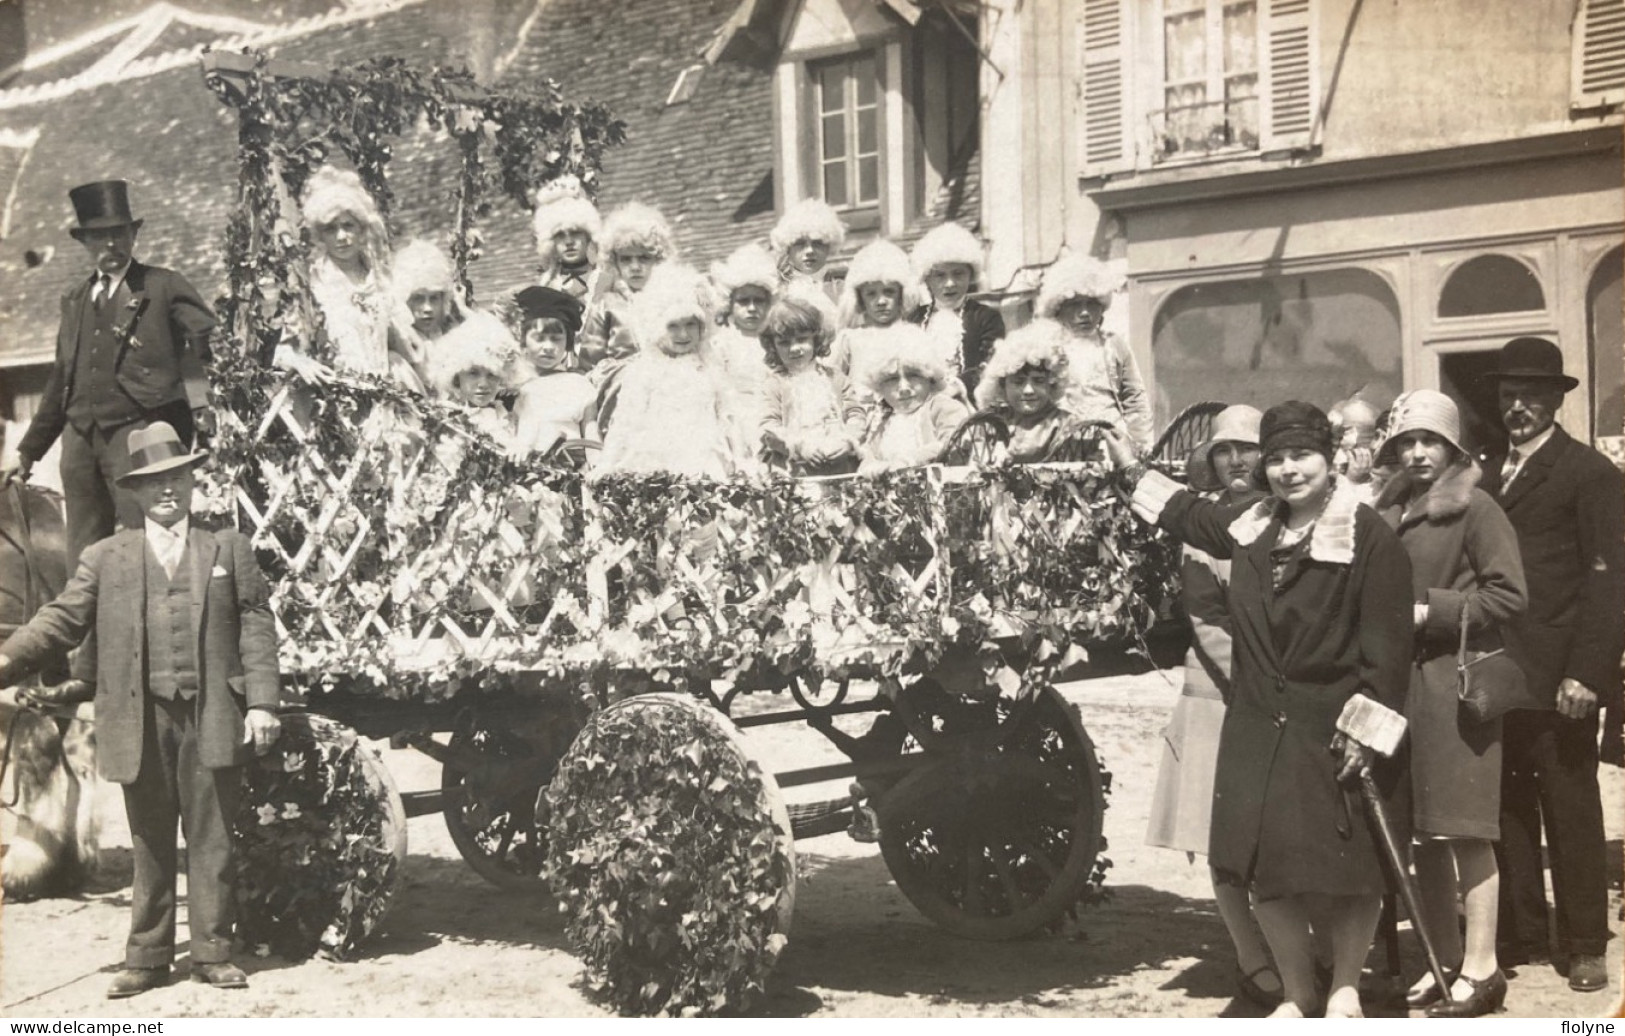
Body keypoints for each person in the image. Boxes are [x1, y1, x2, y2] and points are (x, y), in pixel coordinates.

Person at [1105, 401, 1413, 1018]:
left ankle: (1346, 989)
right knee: (1257, 864)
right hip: (1256, 725)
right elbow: (1187, 514)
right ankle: (1298, 992)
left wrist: (1364, 733)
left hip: (1332, 725)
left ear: (1330, 460)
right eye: (1275, 459)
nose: (1287, 471)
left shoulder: (1366, 533)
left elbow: (1388, 651)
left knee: (1348, 868)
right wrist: (1129, 468)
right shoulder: (1252, 524)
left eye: (1301, 456)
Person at [0, 422, 282, 999]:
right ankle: (148, 957)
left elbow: (256, 624)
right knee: (150, 840)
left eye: (176, 478)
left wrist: (262, 703)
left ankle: (211, 952)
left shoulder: (226, 546)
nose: (167, 491)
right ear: (136, 492)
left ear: (191, 479)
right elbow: (61, 620)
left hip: (212, 714)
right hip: (139, 717)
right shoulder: (107, 557)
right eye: (154, 484)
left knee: (212, 838)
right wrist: (4, 661)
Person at [1371, 390, 1528, 1016]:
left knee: (1465, 829)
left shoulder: (1477, 507)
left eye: (1429, 441)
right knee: (1422, 836)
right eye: (1406, 441)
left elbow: (1510, 596)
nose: (1416, 453)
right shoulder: (1385, 507)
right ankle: (1444, 961)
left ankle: (1483, 968)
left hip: (1453, 685)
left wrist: (1427, 612)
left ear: (1453, 448)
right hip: (1396, 690)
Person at [1480, 337, 1624, 995]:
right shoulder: (1484, 474)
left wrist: (1588, 674)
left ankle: (1585, 944)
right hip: (1499, 674)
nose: (1517, 407)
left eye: (1531, 395)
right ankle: (1524, 934)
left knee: (1569, 808)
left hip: (1561, 675)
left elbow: (1608, 582)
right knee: (1506, 808)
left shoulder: (1588, 474)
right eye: (1508, 395)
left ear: (1555, 400)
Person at [1141, 404, 1279, 1008]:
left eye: (1248, 449)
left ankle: (1290, 945)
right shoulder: (1204, 532)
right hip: (1225, 691)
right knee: (1220, 828)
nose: (1236, 461)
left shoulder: (1287, 518)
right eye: (1224, 451)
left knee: (1279, 828)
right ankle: (1250, 954)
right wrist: (1261, 683)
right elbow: (1208, 620)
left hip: (1278, 689)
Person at [1, 180, 214, 571]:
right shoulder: (75, 300)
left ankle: (157, 631)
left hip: (139, 434)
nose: (110, 246)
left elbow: (206, 342)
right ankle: (89, 634)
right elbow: (61, 381)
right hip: (80, 440)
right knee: (84, 556)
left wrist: (198, 404)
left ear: (133, 235)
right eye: (99, 238)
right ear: (85, 243)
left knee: (150, 543)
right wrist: (28, 451)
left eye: (118, 234)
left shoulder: (162, 286)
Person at [595, 265, 749, 479]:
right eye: (673, 326)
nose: (683, 334)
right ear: (658, 327)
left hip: (705, 460)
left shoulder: (710, 365)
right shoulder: (644, 369)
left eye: (690, 324)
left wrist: (741, 461)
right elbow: (624, 422)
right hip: (656, 463)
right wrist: (606, 465)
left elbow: (728, 417)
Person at [284, 167, 423, 394]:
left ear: (361, 229)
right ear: (320, 235)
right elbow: (283, 351)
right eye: (331, 229)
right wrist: (301, 363)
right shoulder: (312, 287)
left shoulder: (381, 279)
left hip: (388, 391)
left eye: (348, 226)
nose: (341, 237)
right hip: (339, 399)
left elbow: (410, 345)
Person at [1035, 254, 1153, 453]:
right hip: (1063, 443)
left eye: (1091, 304)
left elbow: (1134, 397)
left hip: (1112, 440)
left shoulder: (1114, 345)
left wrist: (1140, 443)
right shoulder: (1045, 347)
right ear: (1058, 308)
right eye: (1074, 305)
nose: (1084, 313)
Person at [757, 293, 864, 476]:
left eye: (802, 339)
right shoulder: (774, 385)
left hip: (840, 465)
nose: (794, 348)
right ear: (773, 346)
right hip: (795, 470)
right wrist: (799, 447)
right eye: (784, 343)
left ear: (816, 339)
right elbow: (768, 428)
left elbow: (856, 414)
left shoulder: (835, 378)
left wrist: (847, 441)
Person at [972, 320, 1102, 463]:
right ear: (1002, 384)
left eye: (1038, 381)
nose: (1028, 390)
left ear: (1052, 382)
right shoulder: (993, 422)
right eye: (1018, 382)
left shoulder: (1066, 425)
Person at [857, 326, 971, 474]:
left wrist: (908, 461)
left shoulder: (943, 407)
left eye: (913, 376)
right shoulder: (884, 420)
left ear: (929, 377)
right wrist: (869, 467)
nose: (904, 387)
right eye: (892, 379)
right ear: (879, 386)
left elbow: (953, 443)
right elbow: (869, 453)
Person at [910, 222, 1006, 396]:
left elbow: (989, 365)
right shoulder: (915, 320)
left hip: (969, 403)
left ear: (971, 275)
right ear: (927, 279)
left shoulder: (985, 317)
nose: (950, 283)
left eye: (958, 273)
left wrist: (957, 388)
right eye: (940, 275)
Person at [579, 202, 677, 370]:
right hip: (622, 388)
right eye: (626, 259)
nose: (635, 267)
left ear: (658, 259)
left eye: (643, 258)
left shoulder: (673, 300)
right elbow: (589, 364)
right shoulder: (605, 307)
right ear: (614, 261)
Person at [511, 286, 598, 457]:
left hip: (571, 470)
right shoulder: (513, 388)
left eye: (557, 340)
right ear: (523, 340)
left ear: (567, 342)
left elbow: (591, 431)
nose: (549, 347)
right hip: (525, 471)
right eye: (539, 339)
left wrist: (597, 467)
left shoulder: (578, 384)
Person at [829, 239, 927, 386]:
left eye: (889, 292)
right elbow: (830, 380)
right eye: (871, 294)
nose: (881, 301)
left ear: (901, 295)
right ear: (860, 299)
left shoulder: (913, 335)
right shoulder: (849, 340)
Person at [709, 242, 781, 441]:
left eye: (759, 301)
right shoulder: (721, 344)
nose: (751, 308)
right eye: (743, 301)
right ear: (729, 305)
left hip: (774, 421)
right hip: (736, 424)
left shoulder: (778, 340)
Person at [425, 310, 524, 453]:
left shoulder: (507, 415)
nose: (483, 384)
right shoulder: (445, 416)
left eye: (492, 375)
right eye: (473, 373)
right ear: (456, 375)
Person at [391, 238, 466, 387]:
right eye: (418, 299)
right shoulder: (400, 341)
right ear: (404, 301)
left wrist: (464, 310)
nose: (428, 308)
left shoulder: (453, 335)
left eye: (433, 298)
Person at [531, 174, 607, 306]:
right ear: (551, 242)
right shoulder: (547, 287)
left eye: (575, 233)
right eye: (560, 235)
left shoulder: (605, 281)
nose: (569, 242)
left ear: (588, 236)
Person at [770, 197, 846, 299]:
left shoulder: (842, 290)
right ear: (788, 249)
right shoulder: (778, 292)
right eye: (800, 243)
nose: (810, 251)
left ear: (829, 247)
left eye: (818, 243)